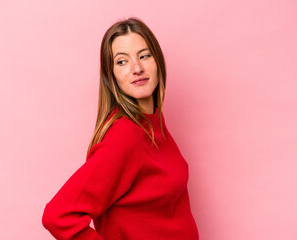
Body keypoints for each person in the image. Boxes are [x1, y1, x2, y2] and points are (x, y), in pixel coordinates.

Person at [42, 17, 199, 240]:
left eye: (144, 56)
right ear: (111, 75)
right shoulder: (126, 135)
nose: (137, 68)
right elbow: (58, 215)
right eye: (122, 61)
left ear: (158, 61)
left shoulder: (153, 122)